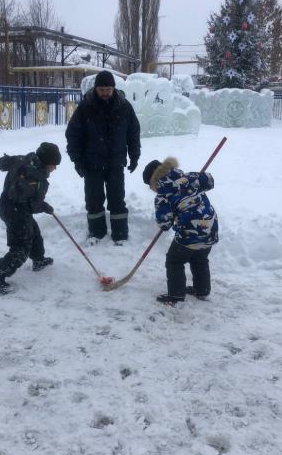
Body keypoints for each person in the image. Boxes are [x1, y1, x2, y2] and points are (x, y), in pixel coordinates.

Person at [65, 70, 141, 243]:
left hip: (116, 162)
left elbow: (133, 133)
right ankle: (96, 233)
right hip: (92, 163)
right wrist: (76, 159)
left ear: (113, 88)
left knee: (117, 199)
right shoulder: (86, 107)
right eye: (101, 89)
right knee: (94, 200)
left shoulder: (124, 106)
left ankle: (120, 235)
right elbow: (73, 134)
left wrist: (134, 155)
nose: (105, 93)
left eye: (108, 89)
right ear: (96, 89)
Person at [0, 142, 61, 295]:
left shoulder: (24, 160)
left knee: (34, 231)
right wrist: (45, 207)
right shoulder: (38, 179)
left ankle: (38, 260)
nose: (55, 168)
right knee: (21, 246)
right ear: (47, 163)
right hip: (16, 212)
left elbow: (1, 164)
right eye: (54, 165)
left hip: (8, 205)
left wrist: (11, 161)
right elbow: (33, 206)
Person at [143, 157, 219, 305]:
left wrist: (168, 218)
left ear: (153, 181)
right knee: (199, 258)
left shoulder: (162, 195)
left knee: (174, 260)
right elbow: (209, 180)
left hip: (190, 232)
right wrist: (196, 178)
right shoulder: (188, 177)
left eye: (149, 185)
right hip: (210, 226)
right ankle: (202, 290)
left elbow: (164, 223)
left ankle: (176, 295)